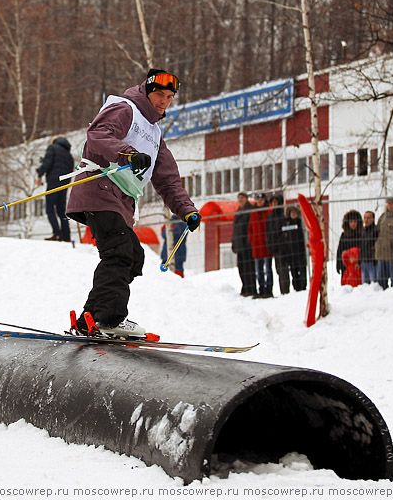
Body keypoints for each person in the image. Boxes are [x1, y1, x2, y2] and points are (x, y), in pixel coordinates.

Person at [66, 69, 200, 338]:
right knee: (119, 252)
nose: (163, 102)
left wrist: (187, 210)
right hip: (98, 189)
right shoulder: (125, 108)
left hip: (119, 201)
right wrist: (127, 154)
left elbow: (168, 180)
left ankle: (90, 319)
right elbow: (98, 134)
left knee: (133, 256)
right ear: (147, 91)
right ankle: (109, 319)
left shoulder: (154, 134)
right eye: (159, 94)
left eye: (170, 97)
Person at [36, 136, 75, 242]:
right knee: (61, 210)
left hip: (54, 181)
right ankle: (66, 235)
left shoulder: (52, 147)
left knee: (50, 208)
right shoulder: (69, 155)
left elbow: (47, 163)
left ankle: (57, 233)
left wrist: (39, 174)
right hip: (65, 183)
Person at [276, 204, 308, 293]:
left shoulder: (300, 223)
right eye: (292, 213)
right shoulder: (286, 223)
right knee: (294, 271)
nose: (293, 214)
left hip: (300, 251)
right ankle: (296, 287)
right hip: (290, 252)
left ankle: (303, 286)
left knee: (302, 270)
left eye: (295, 213)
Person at [248, 193, 273, 298]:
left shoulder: (269, 211)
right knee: (259, 270)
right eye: (258, 200)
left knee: (268, 268)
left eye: (261, 199)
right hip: (257, 245)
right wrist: (252, 241)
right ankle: (261, 289)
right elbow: (250, 229)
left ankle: (269, 289)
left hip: (266, 245)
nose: (259, 201)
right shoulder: (253, 213)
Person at [232, 192, 257, 296]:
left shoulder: (250, 210)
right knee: (241, 268)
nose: (240, 200)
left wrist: (248, 242)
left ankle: (251, 288)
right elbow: (235, 230)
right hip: (239, 245)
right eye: (239, 198)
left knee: (249, 267)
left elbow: (251, 228)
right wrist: (234, 243)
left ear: (246, 199)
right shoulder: (238, 212)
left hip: (247, 244)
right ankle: (245, 287)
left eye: (242, 197)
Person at [336, 210, 363, 284]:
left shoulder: (362, 234)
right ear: (347, 223)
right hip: (346, 265)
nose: (353, 224)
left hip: (358, 264)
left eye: (355, 222)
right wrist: (338, 264)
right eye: (351, 222)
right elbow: (340, 250)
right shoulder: (344, 235)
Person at [360, 210, 378, 284]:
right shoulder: (363, 231)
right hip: (364, 261)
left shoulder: (376, 230)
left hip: (372, 261)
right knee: (364, 284)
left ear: (373, 219)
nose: (366, 220)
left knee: (373, 283)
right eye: (365, 218)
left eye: (368, 218)